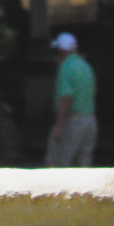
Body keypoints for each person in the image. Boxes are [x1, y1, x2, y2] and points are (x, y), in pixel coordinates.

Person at [45, 30, 99, 168]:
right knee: (84, 164)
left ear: (62, 51)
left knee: (60, 163)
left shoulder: (66, 67)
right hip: (90, 121)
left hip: (72, 121)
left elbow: (66, 97)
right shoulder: (86, 66)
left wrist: (58, 125)